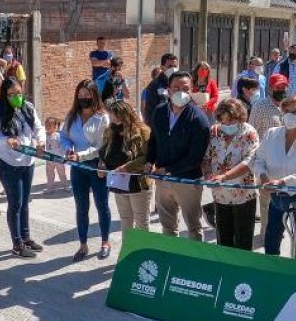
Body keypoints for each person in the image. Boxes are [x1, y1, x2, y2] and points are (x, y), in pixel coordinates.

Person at [0, 78, 46, 258]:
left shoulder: (28, 107)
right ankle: (17, 244)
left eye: (18, 93)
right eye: (11, 94)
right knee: (15, 203)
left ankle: (26, 238)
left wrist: (41, 141)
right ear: (5, 95)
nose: (16, 97)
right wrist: (6, 140)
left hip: (28, 161)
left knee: (25, 202)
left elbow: (38, 127)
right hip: (9, 163)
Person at [253, 95, 296, 259]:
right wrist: (263, 177)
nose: (289, 115)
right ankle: (272, 269)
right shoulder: (271, 134)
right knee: (271, 238)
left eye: (295, 112)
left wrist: (283, 181)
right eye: (286, 111)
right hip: (276, 196)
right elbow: (258, 159)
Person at [148, 71, 212, 241]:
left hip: (187, 181)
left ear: (192, 91)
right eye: (176, 88)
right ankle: (171, 254)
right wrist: (149, 160)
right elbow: (154, 139)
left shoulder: (199, 119)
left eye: (185, 88)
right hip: (163, 181)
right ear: (168, 90)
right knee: (167, 225)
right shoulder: (160, 111)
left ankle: (194, 256)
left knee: (193, 227)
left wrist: (167, 170)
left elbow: (195, 158)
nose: (181, 92)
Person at [63, 80, 113, 261]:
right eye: (80, 95)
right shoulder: (72, 116)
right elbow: (64, 136)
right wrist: (68, 149)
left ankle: (105, 242)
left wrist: (80, 155)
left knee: (102, 205)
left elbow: (101, 146)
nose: (83, 98)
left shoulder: (102, 118)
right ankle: (83, 245)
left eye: (87, 95)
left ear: (94, 96)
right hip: (78, 168)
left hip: (97, 167)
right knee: (81, 207)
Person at [205, 98, 260, 251]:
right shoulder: (214, 132)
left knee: (243, 241)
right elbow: (206, 157)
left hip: (243, 195)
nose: (227, 125)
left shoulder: (249, 132)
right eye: (224, 121)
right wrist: (208, 173)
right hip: (220, 194)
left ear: (240, 118)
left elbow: (249, 162)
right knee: (223, 240)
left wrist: (224, 176)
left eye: (232, 121)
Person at [100, 100, 152, 233]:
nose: (114, 121)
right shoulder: (109, 131)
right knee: (125, 220)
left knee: (141, 223)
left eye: (117, 118)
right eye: (112, 117)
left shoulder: (143, 131)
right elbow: (103, 152)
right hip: (119, 183)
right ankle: (127, 247)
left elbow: (148, 157)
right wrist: (102, 164)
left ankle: (143, 247)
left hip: (138, 184)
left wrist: (127, 167)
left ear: (126, 115)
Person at [251, 75, 288, 236]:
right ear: (270, 89)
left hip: (285, 159)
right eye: (278, 87)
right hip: (265, 160)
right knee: (266, 199)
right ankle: (266, 232)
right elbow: (252, 132)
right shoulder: (259, 107)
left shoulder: (289, 106)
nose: (282, 90)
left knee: (283, 198)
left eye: (284, 87)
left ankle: (279, 229)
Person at [141, 53, 179, 125]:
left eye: (175, 66)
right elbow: (150, 111)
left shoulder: (180, 84)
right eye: (170, 66)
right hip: (160, 125)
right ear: (162, 67)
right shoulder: (154, 85)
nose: (173, 69)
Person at [43, 117, 67, 190]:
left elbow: (63, 146)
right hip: (49, 158)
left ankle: (65, 185)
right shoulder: (44, 135)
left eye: (50, 125)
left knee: (62, 173)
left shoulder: (58, 135)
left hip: (58, 158)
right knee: (49, 174)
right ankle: (50, 187)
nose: (47, 127)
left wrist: (64, 155)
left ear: (55, 126)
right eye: (46, 125)